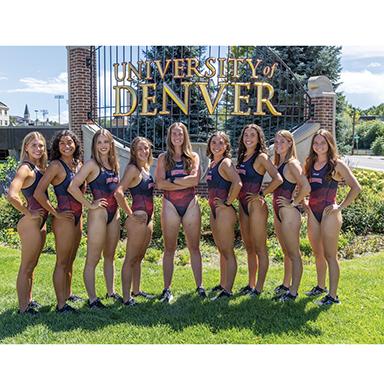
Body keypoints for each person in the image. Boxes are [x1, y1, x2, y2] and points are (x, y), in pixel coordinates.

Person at [304, 129, 361, 305]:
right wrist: (305, 202)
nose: (318, 146)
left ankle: (333, 296)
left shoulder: (337, 164)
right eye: (316, 142)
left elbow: (356, 187)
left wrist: (340, 207)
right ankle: (321, 287)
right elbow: (306, 186)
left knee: (330, 255)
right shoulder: (310, 163)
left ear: (329, 144)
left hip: (329, 213)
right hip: (313, 213)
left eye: (322, 143)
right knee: (317, 253)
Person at [68, 128, 122, 308]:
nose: (103, 146)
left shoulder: (115, 164)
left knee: (110, 256)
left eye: (106, 142)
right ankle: (92, 299)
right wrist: (90, 205)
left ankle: (111, 291)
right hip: (98, 214)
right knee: (93, 258)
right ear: (94, 145)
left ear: (111, 144)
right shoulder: (91, 164)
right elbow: (73, 187)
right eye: (99, 142)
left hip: (114, 214)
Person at [34, 130, 84, 313]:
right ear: (57, 146)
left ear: (76, 144)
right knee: (62, 262)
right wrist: (56, 213)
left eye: (69, 142)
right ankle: (61, 305)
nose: (66, 146)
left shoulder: (79, 164)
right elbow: (39, 193)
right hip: (65, 218)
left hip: (78, 218)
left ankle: (68, 294)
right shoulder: (55, 165)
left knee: (70, 260)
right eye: (62, 143)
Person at [155, 122, 206, 303]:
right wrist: (182, 181)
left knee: (194, 247)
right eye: (174, 134)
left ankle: (200, 286)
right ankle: (167, 288)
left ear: (185, 136)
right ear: (170, 137)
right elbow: (160, 184)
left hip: (190, 203)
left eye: (180, 134)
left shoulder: (193, 157)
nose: (177, 137)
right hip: (170, 204)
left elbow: (195, 180)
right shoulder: (163, 158)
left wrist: (173, 180)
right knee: (169, 248)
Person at [235, 124, 283, 297]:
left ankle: (259, 288)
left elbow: (278, 178)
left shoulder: (261, 157)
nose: (248, 137)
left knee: (260, 247)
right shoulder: (241, 156)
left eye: (252, 135)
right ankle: (251, 284)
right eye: (246, 134)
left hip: (256, 207)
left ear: (258, 138)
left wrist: (262, 193)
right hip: (242, 204)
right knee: (248, 247)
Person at [6, 132, 48, 314]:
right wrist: (27, 212)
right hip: (31, 223)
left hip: (40, 221)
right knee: (26, 266)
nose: (38, 149)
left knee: (32, 264)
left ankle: (29, 301)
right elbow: (11, 195)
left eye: (41, 145)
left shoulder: (37, 168)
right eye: (34, 146)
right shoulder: (25, 169)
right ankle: (23, 308)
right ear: (26, 148)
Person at [114, 137, 155, 306]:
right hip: (137, 219)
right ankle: (126, 298)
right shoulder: (132, 168)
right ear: (133, 152)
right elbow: (118, 192)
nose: (144, 151)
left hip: (148, 219)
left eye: (146, 148)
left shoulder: (146, 168)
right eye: (140, 149)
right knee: (130, 258)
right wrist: (130, 215)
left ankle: (136, 290)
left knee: (139, 257)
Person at [272, 130, 311, 301]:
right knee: (286, 252)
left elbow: (306, 187)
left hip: (289, 215)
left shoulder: (292, 164)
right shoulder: (280, 162)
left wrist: (294, 202)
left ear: (290, 143)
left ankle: (293, 292)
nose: (278, 144)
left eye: (282, 142)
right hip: (279, 213)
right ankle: (286, 284)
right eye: (277, 141)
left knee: (294, 254)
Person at [206, 131, 243, 300]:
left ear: (226, 146)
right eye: (214, 142)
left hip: (224, 211)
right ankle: (222, 284)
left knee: (228, 250)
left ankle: (228, 290)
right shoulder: (212, 163)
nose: (217, 146)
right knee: (221, 250)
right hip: (214, 211)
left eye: (221, 143)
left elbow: (237, 183)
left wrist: (228, 202)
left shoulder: (225, 162)